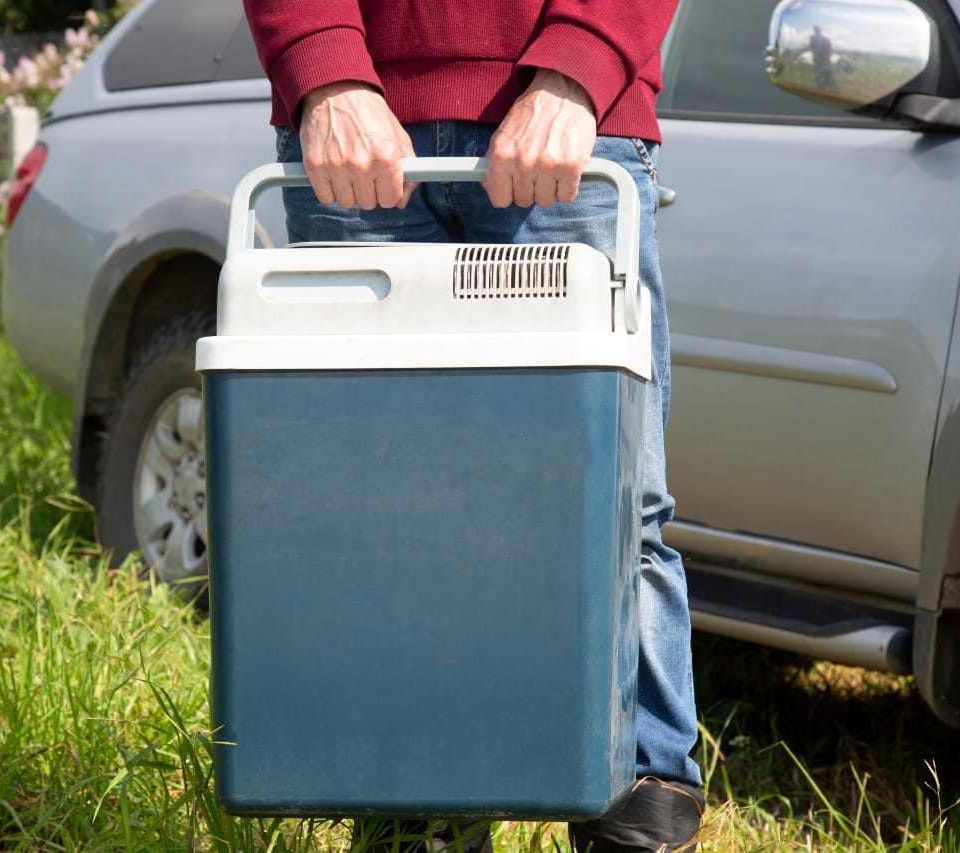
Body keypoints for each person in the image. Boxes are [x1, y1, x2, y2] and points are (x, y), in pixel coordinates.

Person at [240, 3, 704, 851]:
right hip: (353, 134)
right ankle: (416, 804)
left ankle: (639, 811)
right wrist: (325, 64)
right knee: (382, 526)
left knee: (612, 512)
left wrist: (577, 66)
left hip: (577, 129)